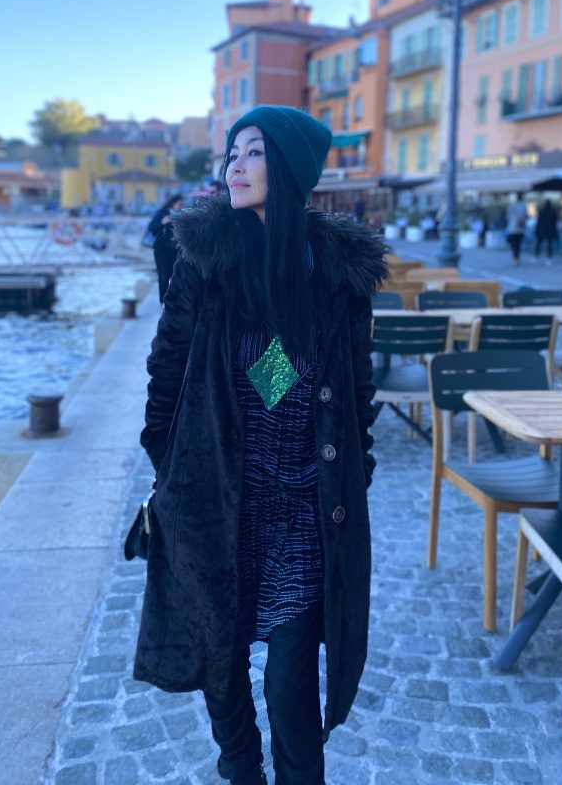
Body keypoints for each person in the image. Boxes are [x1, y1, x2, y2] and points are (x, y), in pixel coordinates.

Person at [133, 105, 387, 785]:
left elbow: (357, 390)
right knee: (221, 670)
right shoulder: (205, 260)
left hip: (303, 513)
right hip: (220, 506)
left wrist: (353, 474)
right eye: (232, 153)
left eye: (253, 152)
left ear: (290, 169)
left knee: (289, 685)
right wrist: (173, 471)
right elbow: (166, 372)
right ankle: (241, 770)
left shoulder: (335, 275)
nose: (234, 167)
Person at [147, 193, 184, 302]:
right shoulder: (162, 213)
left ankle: (173, 301)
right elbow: (151, 227)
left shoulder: (181, 215)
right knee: (163, 277)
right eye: (179, 204)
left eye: (182, 204)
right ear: (173, 204)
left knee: (175, 276)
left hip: (176, 250)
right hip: (161, 250)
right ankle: (163, 301)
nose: (181, 206)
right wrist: (162, 222)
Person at [506, 192, 528, 266]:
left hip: (512, 228)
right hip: (520, 228)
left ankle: (515, 258)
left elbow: (508, 216)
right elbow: (525, 216)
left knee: (513, 244)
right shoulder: (524, 206)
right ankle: (517, 257)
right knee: (518, 244)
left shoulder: (512, 205)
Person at [534, 198, 558, 265]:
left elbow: (539, 222)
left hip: (541, 230)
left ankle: (536, 257)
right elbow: (555, 222)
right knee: (549, 244)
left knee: (539, 244)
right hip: (549, 230)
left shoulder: (542, 211)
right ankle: (549, 258)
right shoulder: (553, 212)